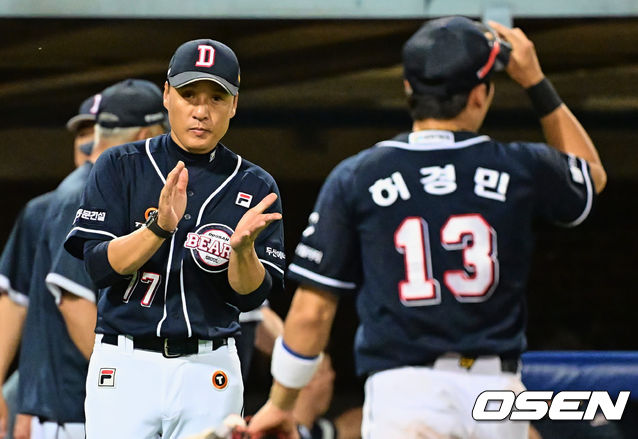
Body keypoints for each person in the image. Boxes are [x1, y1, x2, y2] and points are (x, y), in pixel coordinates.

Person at [247, 16, 606, 439]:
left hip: (407, 391)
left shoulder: (358, 175)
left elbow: (311, 313)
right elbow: (591, 176)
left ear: (408, 90)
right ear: (479, 94)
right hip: (494, 391)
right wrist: (535, 82)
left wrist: (281, 403)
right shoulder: (520, 166)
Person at [63, 39, 285, 438]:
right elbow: (98, 267)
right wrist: (158, 228)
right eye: (188, 95)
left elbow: (251, 296)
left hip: (209, 367)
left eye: (217, 97)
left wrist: (243, 252)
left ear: (234, 104)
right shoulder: (120, 164)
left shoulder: (255, 184)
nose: (201, 111)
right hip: (126, 361)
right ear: (167, 95)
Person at [8, 81, 167, 439]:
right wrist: (133, 390)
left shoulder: (102, 187)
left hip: (86, 408)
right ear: (145, 134)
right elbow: (75, 303)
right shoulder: (85, 192)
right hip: (78, 409)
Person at [0, 92, 100, 439]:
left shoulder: (157, 214)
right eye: (82, 133)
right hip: (64, 406)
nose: (88, 144)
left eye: (98, 132)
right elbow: (15, 300)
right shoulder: (43, 212)